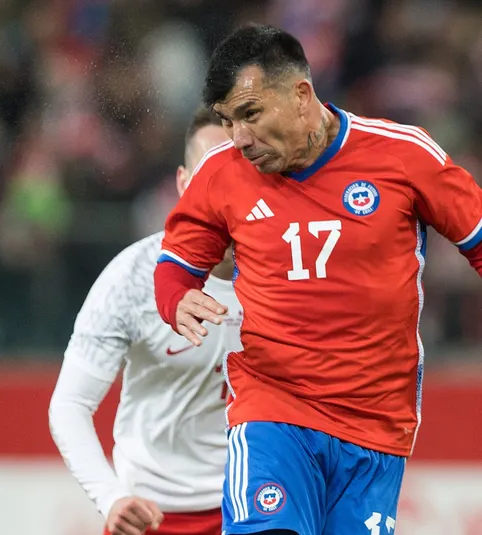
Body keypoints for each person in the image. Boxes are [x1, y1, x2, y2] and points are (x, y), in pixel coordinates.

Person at [153, 23, 482, 535]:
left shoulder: (402, 154)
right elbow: (177, 262)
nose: (239, 138)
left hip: (375, 425)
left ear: (301, 95)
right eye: (227, 121)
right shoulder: (220, 173)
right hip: (272, 408)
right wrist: (176, 298)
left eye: (250, 114)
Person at [49, 107, 244, 535]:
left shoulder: (291, 273)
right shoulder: (134, 277)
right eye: (210, 174)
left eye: (239, 171)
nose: (226, 189)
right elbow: (70, 405)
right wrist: (110, 497)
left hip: (257, 509)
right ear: (183, 183)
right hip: (152, 516)